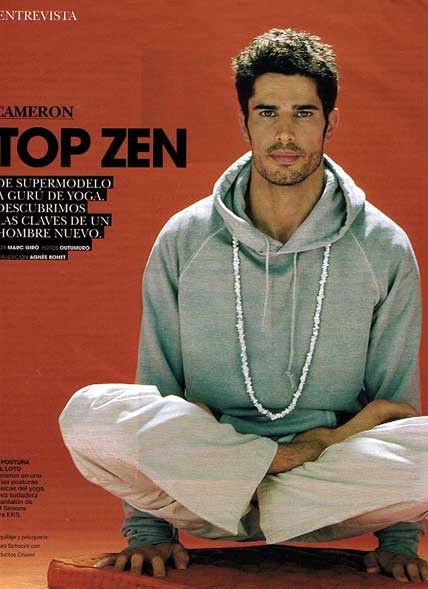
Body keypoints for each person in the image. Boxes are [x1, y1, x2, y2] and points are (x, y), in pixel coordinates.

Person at [59, 28, 428, 583]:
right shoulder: (185, 238)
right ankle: (264, 474)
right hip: (202, 490)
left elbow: (395, 405)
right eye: (267, 113)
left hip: (329, 492)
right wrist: (150, 532)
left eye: (304, 113)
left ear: (330, 122)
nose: (285, 133)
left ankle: (269, 488)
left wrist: (396, 537)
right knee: (91, 412)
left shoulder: (383, 246)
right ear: (245, 122)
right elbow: (156, 391)